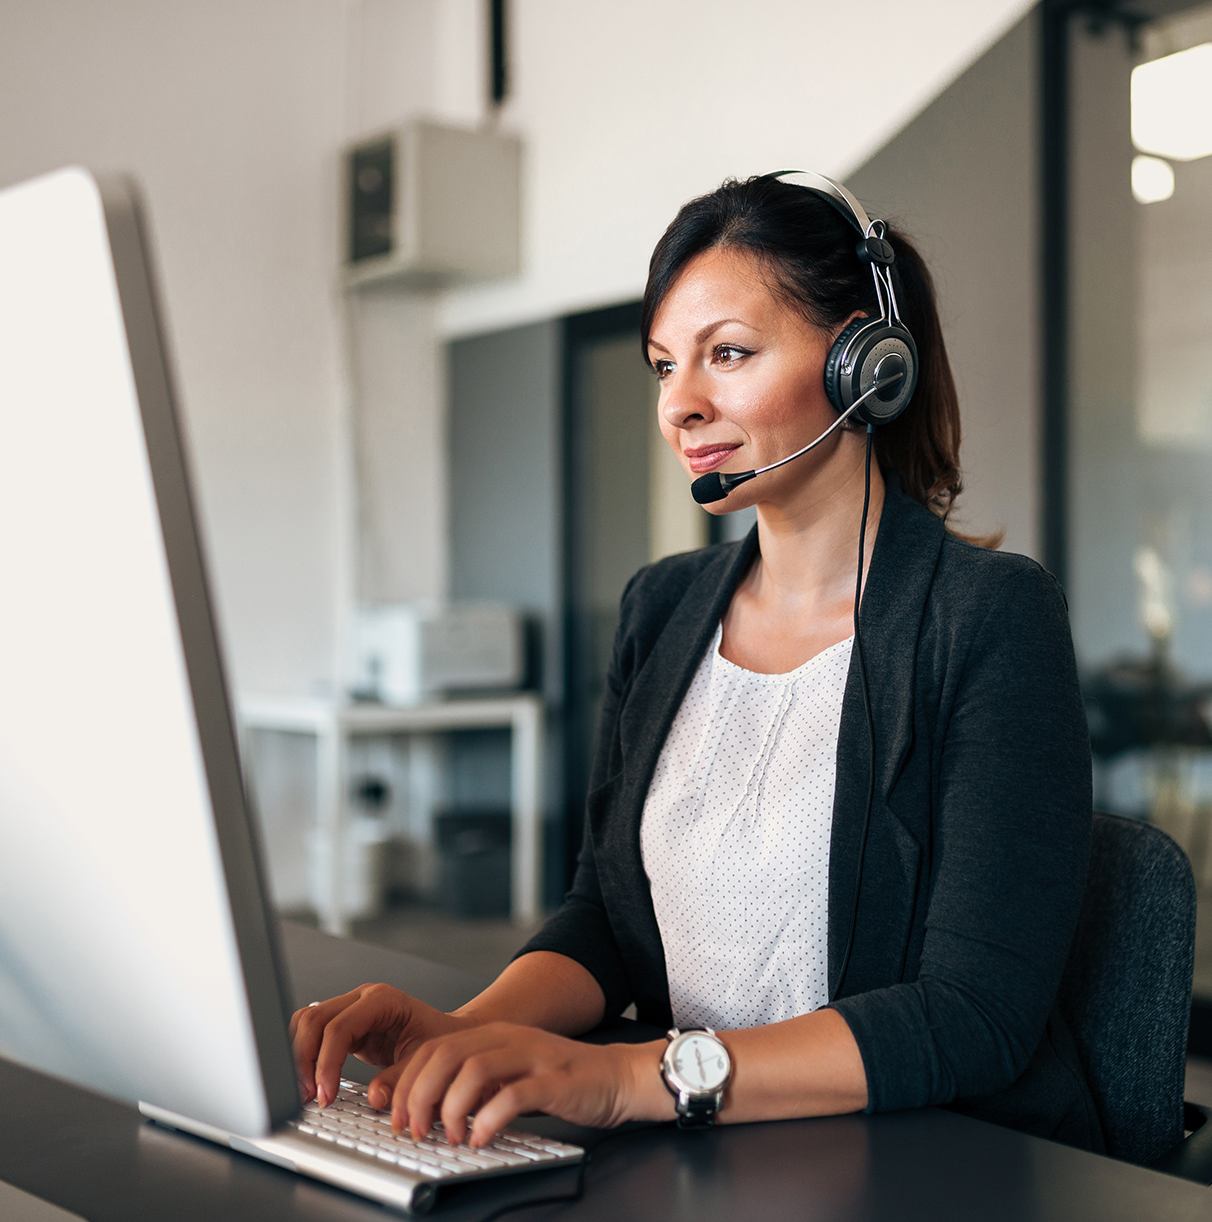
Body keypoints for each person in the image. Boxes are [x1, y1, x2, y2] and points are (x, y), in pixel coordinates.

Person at [293, 172, 1098, 1154]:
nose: (681, 403)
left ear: (864, 363)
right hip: (694, 1149)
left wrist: (630, 1075)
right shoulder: (663, 609)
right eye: (664, 365)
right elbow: (606, 917)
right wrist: (467, 1028)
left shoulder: (987, 618)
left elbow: (974, 1015)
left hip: (901, 1155)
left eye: (727, 353)